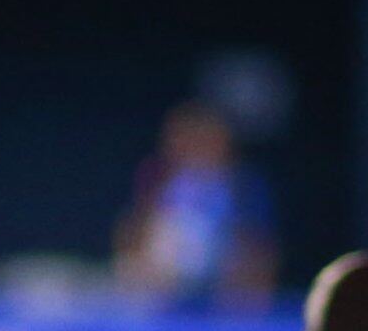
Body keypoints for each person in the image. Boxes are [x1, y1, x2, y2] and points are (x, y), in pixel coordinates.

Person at [114, 99, 276, 303]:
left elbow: (258, 244)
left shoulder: (241, 184)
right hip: (165, 278)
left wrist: (248, 297)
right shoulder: (158, 176)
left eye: (205, 138)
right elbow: (133, 229)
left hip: (222, 275)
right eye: (183, 138)